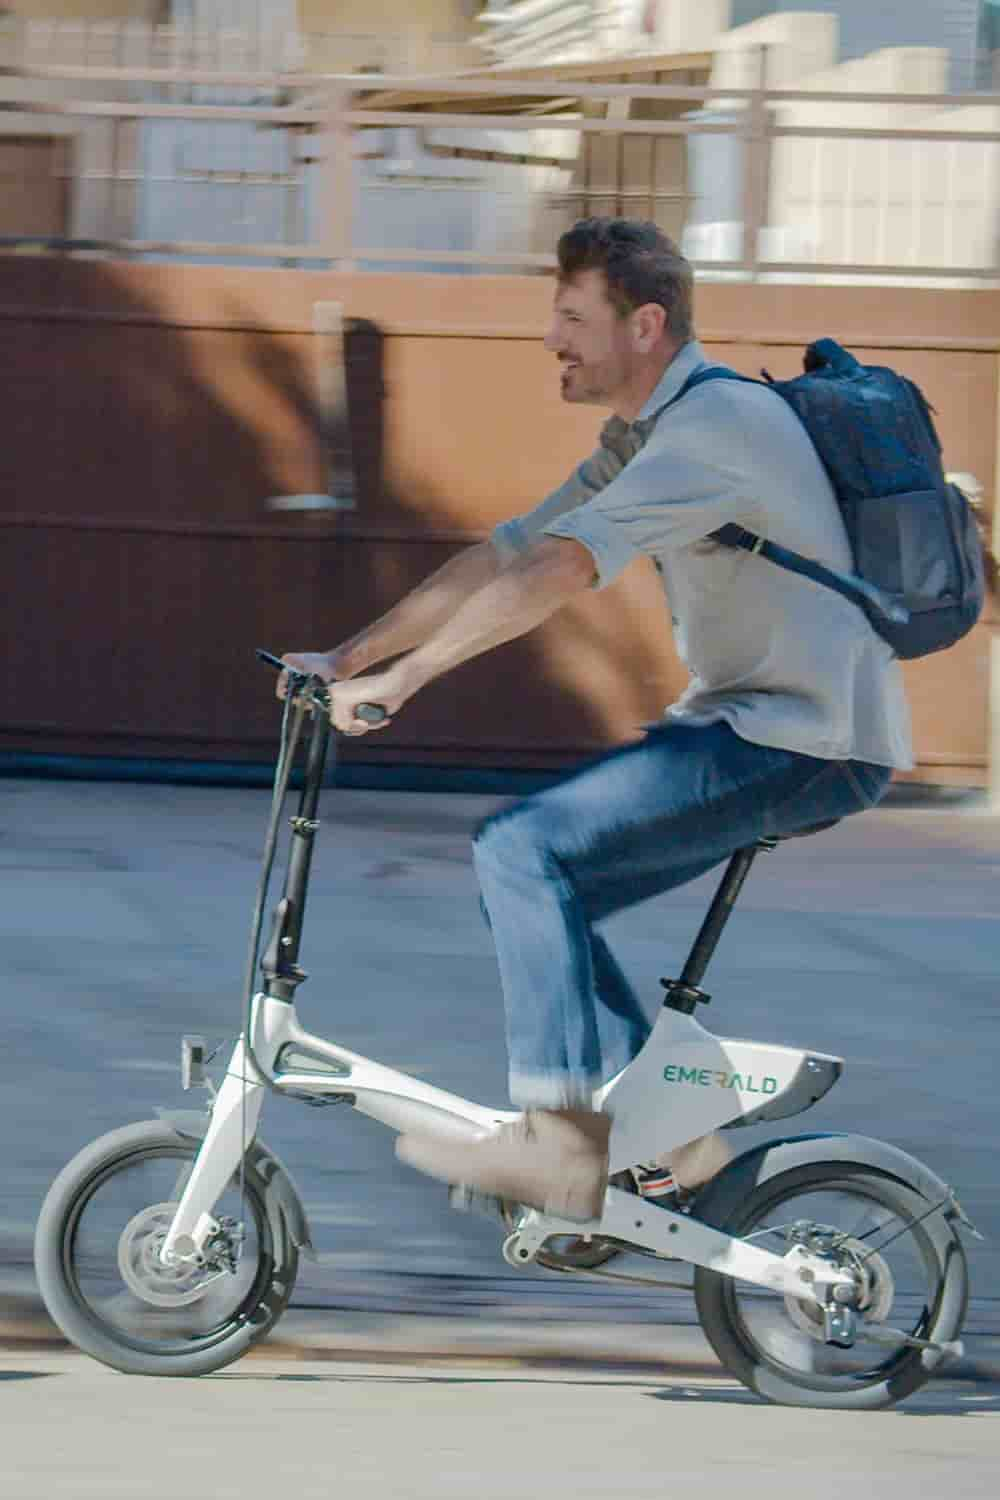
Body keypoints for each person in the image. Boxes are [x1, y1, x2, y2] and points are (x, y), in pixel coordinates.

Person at [280, 217, 910, 1223]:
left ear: (645, 324)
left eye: (573, 317)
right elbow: (506, 553)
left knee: (523, 854)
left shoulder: (715, 429)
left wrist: (411, 682)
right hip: (768, 728)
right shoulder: (650, 435)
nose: (551, 340)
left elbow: (560, 571)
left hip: (804, 738)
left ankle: (562, 1144)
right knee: (536, 885)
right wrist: (351, 659)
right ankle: (676, 1143)